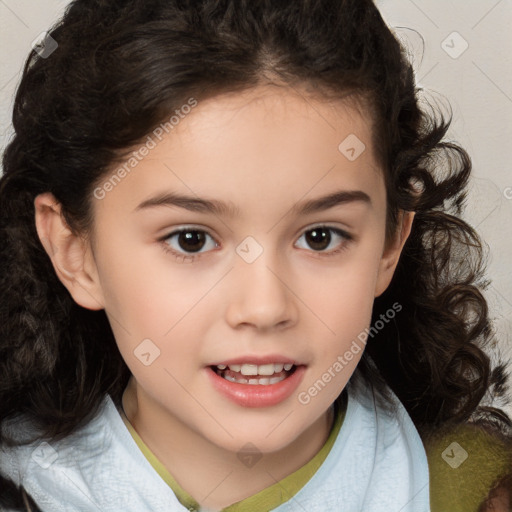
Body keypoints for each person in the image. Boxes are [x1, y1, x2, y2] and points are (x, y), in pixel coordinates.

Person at [0, 0, 510, 511]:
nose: (264, 308)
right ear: (76, 253)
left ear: (389, 243)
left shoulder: (471, 491)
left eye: (320, 237)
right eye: (191, 240)